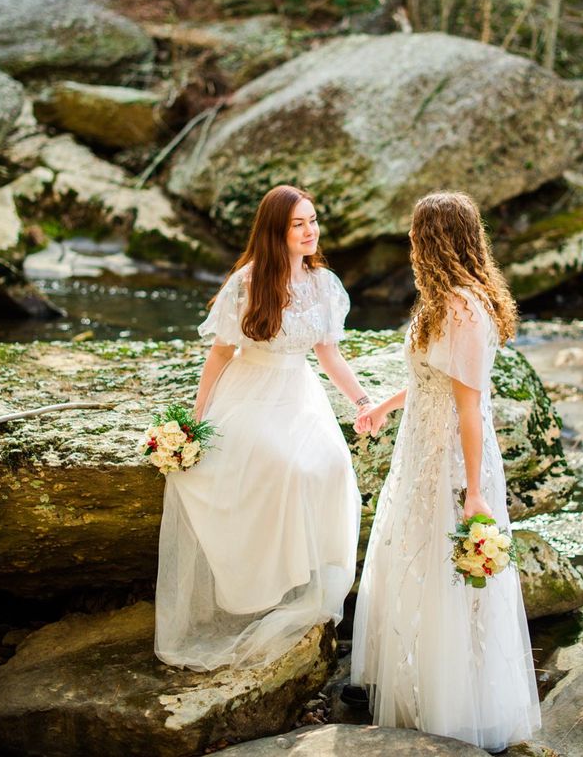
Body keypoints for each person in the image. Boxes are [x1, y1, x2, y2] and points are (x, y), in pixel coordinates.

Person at [350, 191, 541, 752]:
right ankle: (415, 678)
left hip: (451, 458)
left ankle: (452, 700)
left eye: (415, 233)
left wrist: (475, 492)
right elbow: (434, 378)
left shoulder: (462, 307)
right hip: (420, 449)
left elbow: (469, 407)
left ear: (430, 240)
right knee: (414, 557)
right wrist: (385, 405)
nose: (409, 242)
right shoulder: (444, 300)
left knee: (445, 565)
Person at [155, 184, 369, 671]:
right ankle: (265, 588)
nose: (310, 231)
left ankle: (305, 581)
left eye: (313, 220)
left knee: (333, 466)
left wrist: (360, 400)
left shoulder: (324, 283)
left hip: (299, 394)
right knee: (284, 467)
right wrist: (198, 417)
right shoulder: (249, 281)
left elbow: (328, 353)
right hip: (249, 392)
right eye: (299, 224)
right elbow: (220, 353)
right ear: (277, 230)